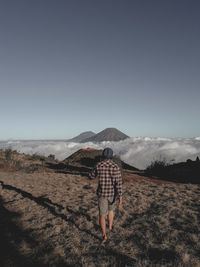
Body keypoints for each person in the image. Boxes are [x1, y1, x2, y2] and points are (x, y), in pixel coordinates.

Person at [90, 147, 123, 244]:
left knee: (102, 214)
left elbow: (91, 176)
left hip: (102, 194)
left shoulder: (98, 165)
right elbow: (119, 183)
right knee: (111, 210)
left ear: (103, 156)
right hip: (112, 194)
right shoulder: (115, 167)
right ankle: (110, 226)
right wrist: (120, 196)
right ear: (111, 156)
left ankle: (104, 235)